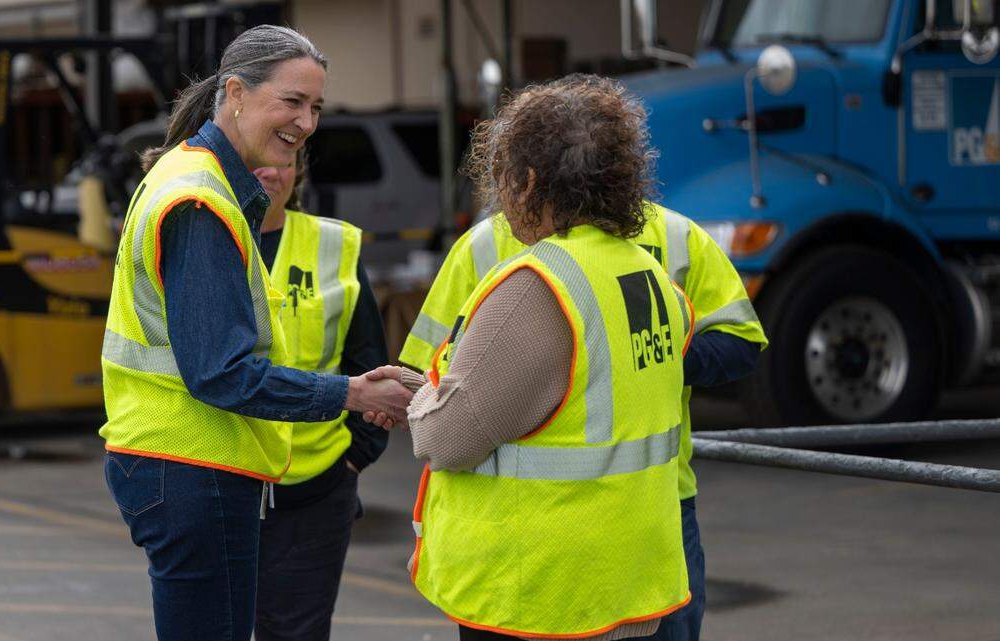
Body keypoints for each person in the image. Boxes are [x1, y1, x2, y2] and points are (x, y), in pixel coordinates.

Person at [399, 78, 768, 641]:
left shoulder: (535, 280)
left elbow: (445, 436)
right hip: (632, 553)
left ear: (526, 180)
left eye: (502, 178)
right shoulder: (648, 270)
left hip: (540, 573)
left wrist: (429, 394)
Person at [99, 25, 410, 641]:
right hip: (191, 463)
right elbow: (221, 371)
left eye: (316, 107)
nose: (307, 122)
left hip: (175, 462)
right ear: (235, 93)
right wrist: (351, 394)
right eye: (292, 101)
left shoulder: (187, 177)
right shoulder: (202, 201)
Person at [250, 151, 390, 641]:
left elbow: (368, 361)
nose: (269, 172)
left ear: (299, 172)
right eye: (255, 161)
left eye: (283, 161)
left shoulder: (334, 244)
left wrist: (355, 458)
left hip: (315, 490)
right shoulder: (203, 237)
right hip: (222, 487)